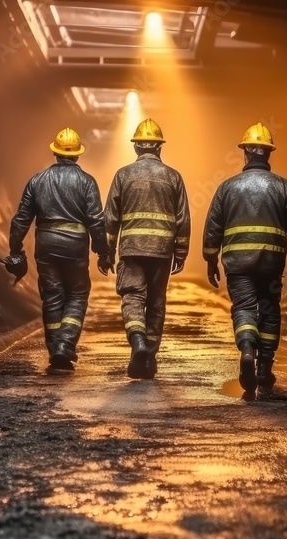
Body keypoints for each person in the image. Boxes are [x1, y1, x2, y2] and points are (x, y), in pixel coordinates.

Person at [202, 122, 287, 397]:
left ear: (246, 153)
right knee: (270, 310)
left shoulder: (227, 188)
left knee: (244, 307)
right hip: (271, 263)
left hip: (238, 265)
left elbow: (213, 226)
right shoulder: (284, 187)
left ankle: (247, 347)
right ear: (268, 154)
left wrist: (211, 259)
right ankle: (264, 368)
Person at [0, 127, 112, 370]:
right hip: (75, 246)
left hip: (46, 245)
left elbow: (20, 220)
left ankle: (54, 348)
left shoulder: (37, 181)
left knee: (52, 296)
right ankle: (65, 345)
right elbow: (96, 220)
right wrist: (103, 252)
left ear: (55, 153)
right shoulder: (87, 182)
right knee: (77, 294)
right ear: (78, 155)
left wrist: (16, 250)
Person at [105, 118, 190, 379]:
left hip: (131, 249)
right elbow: (182, 219)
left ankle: (137, 341)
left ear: (136, 148)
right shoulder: (174, 176)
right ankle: (149, 358)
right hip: (162, 251)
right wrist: (181, 252)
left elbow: (110, 218)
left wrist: (107, 251)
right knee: (156, 302)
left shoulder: (122, 175)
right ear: (159, 148)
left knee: (132, 297)